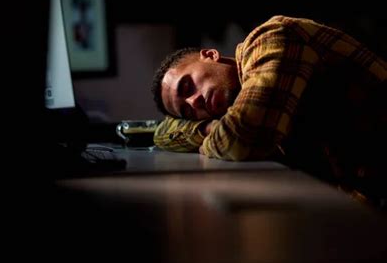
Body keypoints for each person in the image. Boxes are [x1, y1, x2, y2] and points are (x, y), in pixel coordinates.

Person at [151, 15, 387, 205]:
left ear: (210, 55)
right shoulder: (237, 99)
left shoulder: (269, 38)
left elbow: (245, 136)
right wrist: (207, 128)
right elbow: (161, 133)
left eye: (187, 86)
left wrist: (209, 139)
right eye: (188, 113)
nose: (194, 103)